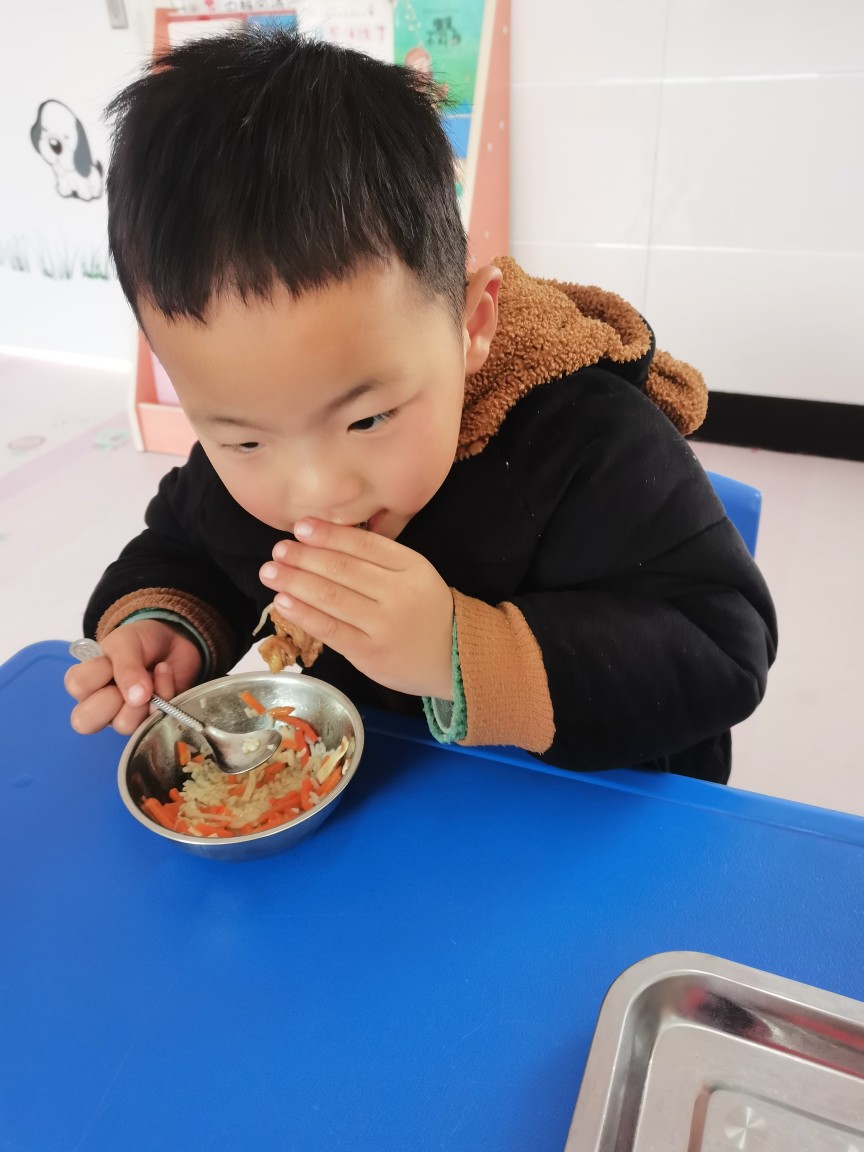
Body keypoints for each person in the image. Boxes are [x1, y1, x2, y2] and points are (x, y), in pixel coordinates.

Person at [65, 27, 777, 784]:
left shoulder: (589, 440)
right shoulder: (249, 461)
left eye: (367, 419)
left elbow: (723, 649)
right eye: (243, 441)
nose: (317, 492)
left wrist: (457, 651)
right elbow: (186, 548)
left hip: (602, 806)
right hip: (393, 805)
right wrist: (164, 624)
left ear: (472, 325)